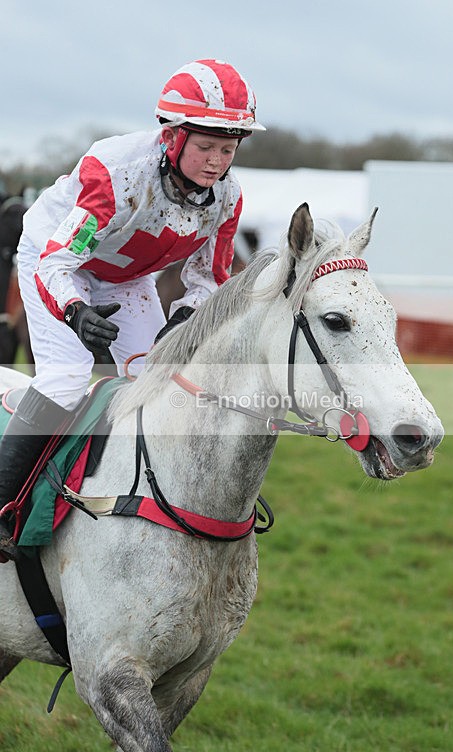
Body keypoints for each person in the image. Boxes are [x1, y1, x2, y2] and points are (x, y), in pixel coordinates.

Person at [0, 58, 265, 560]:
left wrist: (186, 318)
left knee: (155, 378)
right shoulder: (115, 171)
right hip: (54, 260)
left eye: (227, 149)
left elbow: (208, 279)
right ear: (172, 139)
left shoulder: (228, 198)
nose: (216, 162)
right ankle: (2, 504)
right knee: (68, 376)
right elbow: (59, 261)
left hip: (125, 278)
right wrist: (77, 312)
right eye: (205, 147)